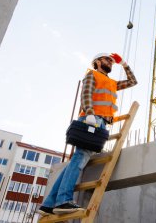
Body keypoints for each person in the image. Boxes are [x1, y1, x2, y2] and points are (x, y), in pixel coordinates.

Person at [38, 52, 137, 216]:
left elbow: (133, 82)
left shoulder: (112, 83)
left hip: (101, 122)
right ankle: (63, 201)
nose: (110, 63)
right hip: (92, 119)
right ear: (97, 62)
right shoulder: (92, 75)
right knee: (80, 158)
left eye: (112, 61)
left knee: (75, 160)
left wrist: (124, 64)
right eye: (107, 60)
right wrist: (90, 113)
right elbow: (86, 94)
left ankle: (48, 204)